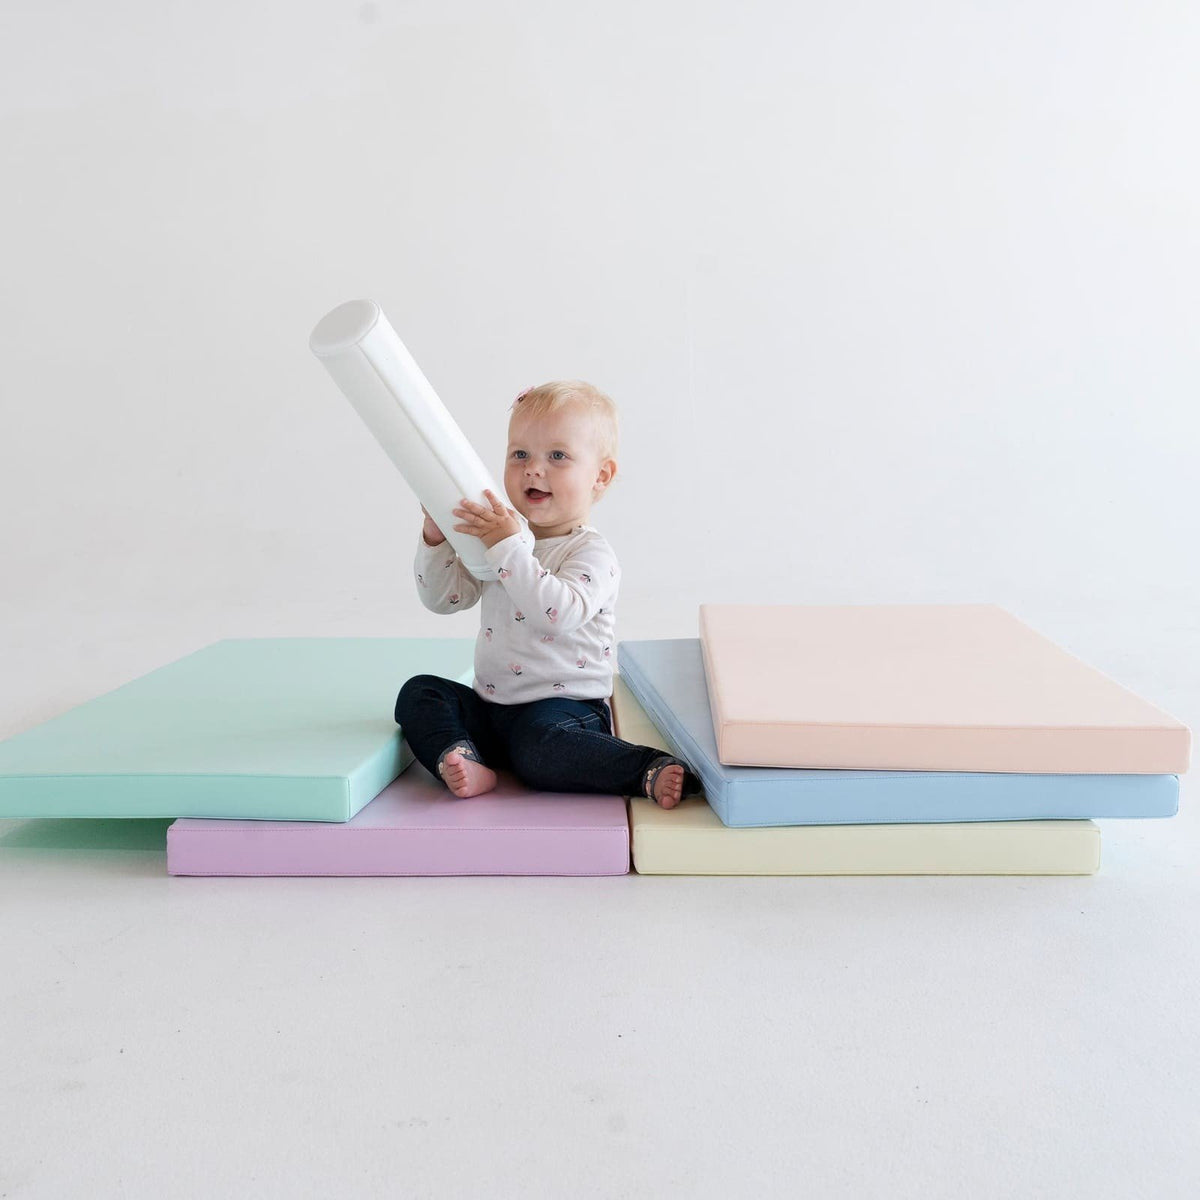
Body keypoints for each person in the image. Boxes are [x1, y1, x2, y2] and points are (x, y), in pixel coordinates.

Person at [395, 380, 700, 808]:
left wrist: (506, 548)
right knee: (420, 692)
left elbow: (557, 612)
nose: (533, 469)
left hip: (564, 711)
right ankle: (460, 755)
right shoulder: (500, 539)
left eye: (557, 456)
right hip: (492, 705)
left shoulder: (590, 552)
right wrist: (436, 537)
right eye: (520, 454)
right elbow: (444, 600)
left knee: (539, 750)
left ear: (600, 476)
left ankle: (643, 767)